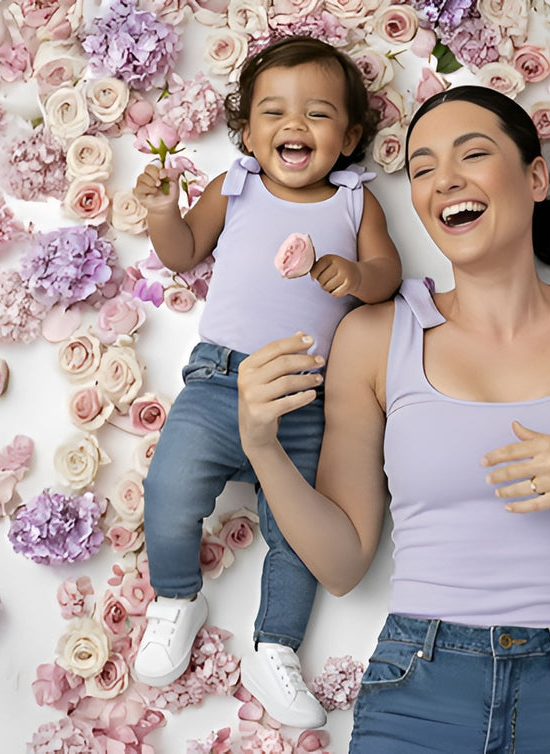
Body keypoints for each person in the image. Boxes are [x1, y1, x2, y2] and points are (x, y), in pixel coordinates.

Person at [233, 85, 550, 751]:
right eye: (421, 169)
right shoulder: (375, 337)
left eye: (472, 154)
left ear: (535, 177)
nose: (444, 180)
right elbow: (341, 563)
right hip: (417, 682)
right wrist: (261, 445)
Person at [126, 36, 404, 729]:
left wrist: (353, 275)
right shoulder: (237, 186)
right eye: (274, 113)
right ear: (247, 132)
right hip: (220, 381)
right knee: (168, 487)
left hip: (304, 400)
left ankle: (275, 648)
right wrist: (163, 212)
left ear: (350, 137)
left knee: (300, 537)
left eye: (317, 113)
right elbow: (185, 249)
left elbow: (387, 274)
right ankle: (175, 598)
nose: (294, 126)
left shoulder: (354, 204)